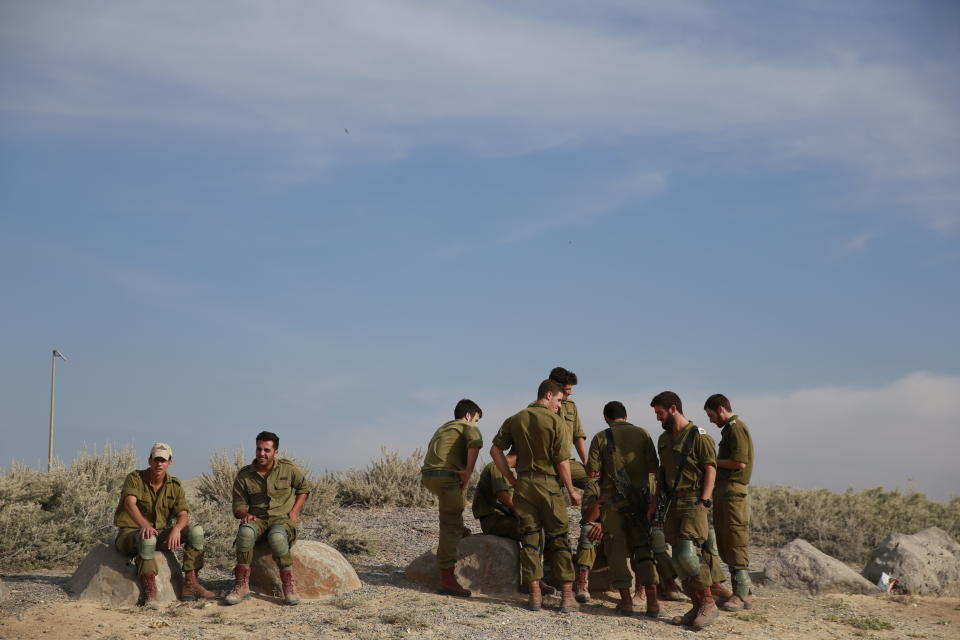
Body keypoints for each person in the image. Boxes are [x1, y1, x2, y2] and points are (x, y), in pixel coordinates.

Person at [490, 379, 582, 613]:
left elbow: (495, 450)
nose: (560, 406)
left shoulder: (516, 418)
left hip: (524, 486)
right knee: (560, 538)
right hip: (548, 486)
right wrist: (571, 490)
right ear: (549, 395)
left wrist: (511, 479)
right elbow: (562, 461)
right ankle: (567, 597)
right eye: (559, 400)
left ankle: (534, 596)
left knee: (530, 539)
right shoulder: (555, 421)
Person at [650, 391, 720, 629]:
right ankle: (697, 604)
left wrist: (704, 500)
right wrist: (654, 503)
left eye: (660, 412)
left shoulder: (698, 436)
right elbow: (661, 475)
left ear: (673, 409)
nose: (658, 418)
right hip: (671, 503)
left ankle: (709, 603)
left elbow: (710, 469)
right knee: (679, 561)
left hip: (693, 501)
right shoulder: (663, 439)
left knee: (687, 556)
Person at [114, 443, 214, 608]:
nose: (159, 464)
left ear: (169, 463)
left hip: (158, 534)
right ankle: (150, 594)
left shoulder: (174, 486)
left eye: (163, 460)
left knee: (195, 532)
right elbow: (129, 503)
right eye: (156, 459)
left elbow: (183, 514)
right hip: (130, 534)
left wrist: (176, 529)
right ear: (149, 460)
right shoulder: (135, 478)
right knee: (148, 538)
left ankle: (190, 585)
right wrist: (144, 525)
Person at [586, 401, 661, 617]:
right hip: (640, 505)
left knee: (616, 552)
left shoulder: (601, 437)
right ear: (626, 416)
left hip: (612, 506)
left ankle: (626, 602)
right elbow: (652, 467)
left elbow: (592, 473)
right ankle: (653, 603)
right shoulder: (643, 434)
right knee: (644, 551)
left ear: (607, 419)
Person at [225, 431, 309, 606]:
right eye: (259, 449)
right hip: (258, 520)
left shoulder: (287, 468)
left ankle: (288, 587)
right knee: (245, 533)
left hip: (281, 520)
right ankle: (241, 586)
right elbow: (238, 503)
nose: (262, 453)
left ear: (275, 452)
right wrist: (244, 514)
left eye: (267, 450)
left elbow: (303, 488)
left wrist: (294, 512)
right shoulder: (245, 475)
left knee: (277, 538)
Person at [420, 399, 483, 597]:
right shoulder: (467, 426)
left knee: (452, 508)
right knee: (449, 525)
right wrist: (468, 472)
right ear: (468, 416)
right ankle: (448, 578)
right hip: (446, 477)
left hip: (430, 477)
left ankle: (458, 527)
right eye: (477, 419)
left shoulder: (445, 428)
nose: (476, 423)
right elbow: (475, 444)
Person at [547, 367, 597, 599]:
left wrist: (587, 463)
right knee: (554, 517)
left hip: (568, 462)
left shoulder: (571, 407)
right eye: (566, 391)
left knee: (596, 482)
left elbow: (578, 435)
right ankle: (552, 569)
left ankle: (591, 523)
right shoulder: (540, 406)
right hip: (547, 466)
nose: (569, 396)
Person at [704, 393, 755, 611]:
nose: (711, 420)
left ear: (721, 409)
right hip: (725, 493)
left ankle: (741, 593)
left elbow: (739, 462)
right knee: (726, 541)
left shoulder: (736, 427)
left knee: (735, 539)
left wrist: (711, 461)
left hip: (734, 493)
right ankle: (743, 591)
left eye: (711, 415)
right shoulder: (730, 429)